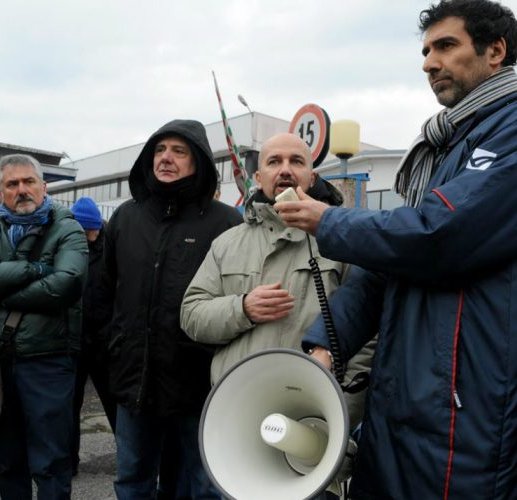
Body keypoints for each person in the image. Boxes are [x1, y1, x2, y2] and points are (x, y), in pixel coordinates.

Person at [276, 0, 517, 497]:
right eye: (426, 50)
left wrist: (330, 220)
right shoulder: (443, 152)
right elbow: (387, 268)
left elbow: (441, 235)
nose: (429, 62)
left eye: (446, 46)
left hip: (473, 417)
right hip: (402, 403)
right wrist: (325, 344)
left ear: (496, 51)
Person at [180, 132, 371, 426]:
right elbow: (191, 315)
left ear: (311, 176)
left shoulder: (343, 242)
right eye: (274, 162)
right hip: (235, 413)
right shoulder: (226, 243)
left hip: (312, 412)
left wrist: (340, 413)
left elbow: (367, 337)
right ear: (259, 176)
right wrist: (242, 309)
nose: (285, 169)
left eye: (296, 161)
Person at [103, 119, 242, 499]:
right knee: (132, 479)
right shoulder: (125, 218)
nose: (166, 158)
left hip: (201, 384)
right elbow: (102, 295)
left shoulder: (227, 223)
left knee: (206, 484)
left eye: (179, 151)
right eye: (160, 150)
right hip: (136, 379)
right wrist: (112, 354)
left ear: (198, 162)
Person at [0, 154, 88, 499]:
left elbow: (66, 285)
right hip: (0, 362)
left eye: (29, 182)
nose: (22, 190)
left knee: (50, 462)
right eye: (12, 184)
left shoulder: (67, 227)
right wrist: (31, 271)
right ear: (0, 192)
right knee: (10, 460)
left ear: (44, 187)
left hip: (49, 361)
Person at [69, 196, 116, 476]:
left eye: (93, 230)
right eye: (85, 231)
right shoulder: (69, 246)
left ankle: (131, 460)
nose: (90, 236)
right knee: (69, 407)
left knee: (115, 405)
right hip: (75, 342)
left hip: (105, 342)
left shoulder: (112, 245)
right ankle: (68, 461)